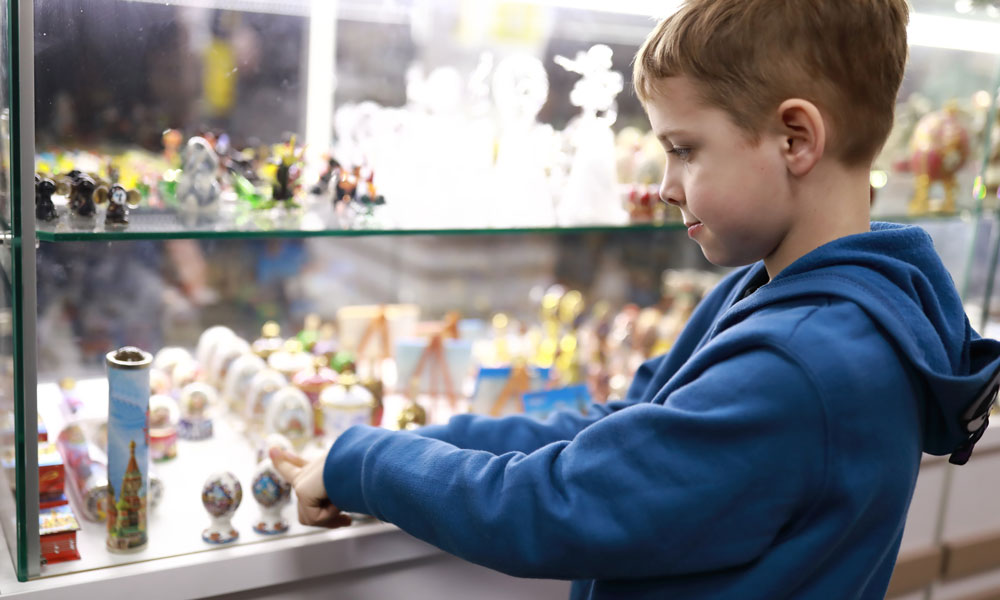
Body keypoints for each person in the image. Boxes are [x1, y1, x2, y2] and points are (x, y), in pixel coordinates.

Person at [271, 1, 1000, 598]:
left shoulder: (801, 362)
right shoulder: (783, 292)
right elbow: (623, 425)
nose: (665, 183)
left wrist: (368, 464)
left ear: (795, 138)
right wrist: (413, 443)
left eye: (684, 148)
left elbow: (560, 505)